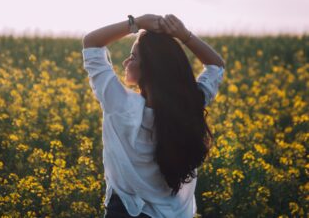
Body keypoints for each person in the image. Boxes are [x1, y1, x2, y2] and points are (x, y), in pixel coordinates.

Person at [82, 14, 226, 218]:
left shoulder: (120, 105)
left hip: (126, 211)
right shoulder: (190, 105)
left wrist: (137, 23)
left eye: (133, 57)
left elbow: (91, 43)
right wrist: (184, 35)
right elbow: (216, 66)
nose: (125, 62)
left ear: (148, 68)